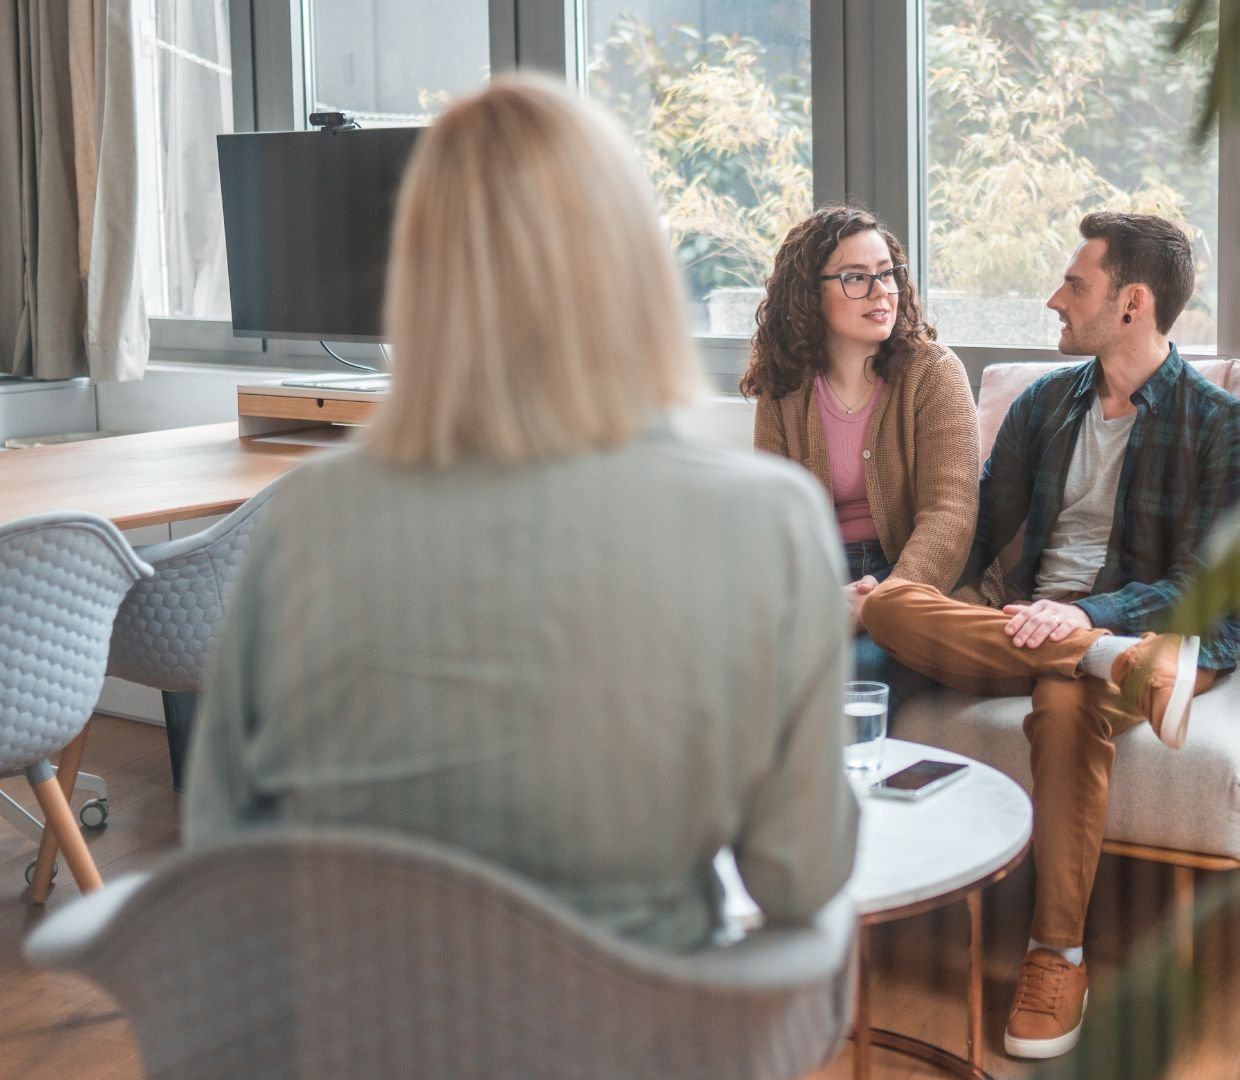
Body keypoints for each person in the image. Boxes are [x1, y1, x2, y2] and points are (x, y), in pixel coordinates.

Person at [183, 75, 859, 952]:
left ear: (418, 272)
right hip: (636, 1037)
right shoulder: (768, 522)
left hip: (361, 1035)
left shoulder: (302, 519)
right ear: (633, 266)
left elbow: (221, 855)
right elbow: (798, 874)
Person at [860, 212, 1240, 1058]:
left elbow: (1211, 591)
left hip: (1159, 632)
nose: (1054, 299)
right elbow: (973, 529)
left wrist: (1092, 616)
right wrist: (916, 589)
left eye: (1074, 285)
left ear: (1132, 304)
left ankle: (1057, 957)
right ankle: (1118, 666)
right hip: (1052, 633)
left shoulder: (1221, 424)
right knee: (889, 603)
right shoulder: (1045, 404)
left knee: (1069, 701)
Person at [742, 206, 979, 691]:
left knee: (852, 675)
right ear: (810, 294)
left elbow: (950, 516)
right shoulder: (784, 386)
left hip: (913, 576)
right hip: (823, 576)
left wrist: (881, 600)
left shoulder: (934, 372)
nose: (881, 292)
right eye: (856, 277)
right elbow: (774, 519)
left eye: (888, 274)